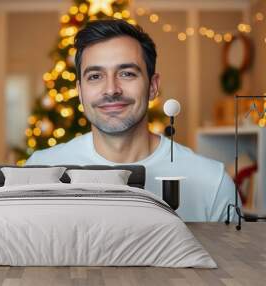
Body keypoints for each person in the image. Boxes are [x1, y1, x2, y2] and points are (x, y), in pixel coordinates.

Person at [26, 19, 237, 222]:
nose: (111, 90)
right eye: (95, 76)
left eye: (127, 73)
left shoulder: (212, 183)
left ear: (153, 87)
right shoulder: (39, 170)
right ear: (80, 92)